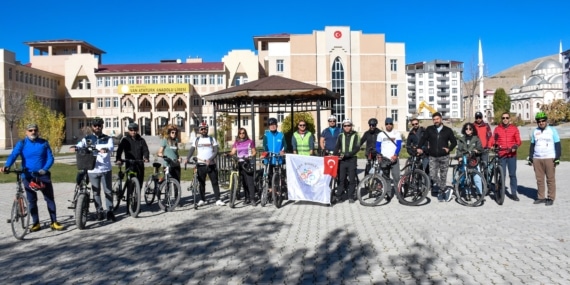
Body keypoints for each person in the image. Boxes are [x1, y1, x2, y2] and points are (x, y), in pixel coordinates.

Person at [1, 123, 64, 231]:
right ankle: (36, 223)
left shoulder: (44, 143)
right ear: (26, 132)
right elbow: (13, 155)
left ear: (38, 131)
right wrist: (7, 165)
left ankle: (54, 222)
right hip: (27, 175)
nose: (33, 132)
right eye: (30, 130)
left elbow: (50, 158)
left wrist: (44, 169)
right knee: (32, 200)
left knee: (49, 199)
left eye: (35, 130)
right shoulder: (22, 143)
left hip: (42, 175)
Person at [71, 117, 116, 222]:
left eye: (99, 125)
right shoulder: (88, 138)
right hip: (92, 169)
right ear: (92, 127)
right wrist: (75, 147)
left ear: (102, 126)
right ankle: (99, 211)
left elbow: (111, 147)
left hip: (105, 169)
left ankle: (109, 211)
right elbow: (80, 145)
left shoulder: (107, 138)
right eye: (95, 125)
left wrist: (106, 149)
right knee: (96, 192)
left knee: (108, 191)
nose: (97, 127)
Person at [417, 112, 457, 201]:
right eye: (434, 119)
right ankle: (445, 189)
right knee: (433, 175)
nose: (436, 121)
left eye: (437, 119)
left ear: (441, 119)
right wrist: (419, 147)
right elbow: (423, 139)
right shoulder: (429, 129)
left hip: (444, 157)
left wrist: (449, 148)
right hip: (432, 156)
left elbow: (454, 142)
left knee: (443, 176)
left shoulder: (448, 130)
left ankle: (443, 194)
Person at [186, 122, 225, 206]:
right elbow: (191, 150)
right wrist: (187, 158)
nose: (204, 130)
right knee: (201, 183)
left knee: (214, 182)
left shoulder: (212, 139)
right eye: (202, 129)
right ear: (199, 130)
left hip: (211, 164)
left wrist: (210, 159)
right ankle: (202, 199)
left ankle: (218, 199)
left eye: (205, 129)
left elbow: (216, 151)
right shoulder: (196, 140)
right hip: (200, 164)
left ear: (207, 129)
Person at [528, 112, 561, 206]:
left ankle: (551, 197)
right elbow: (532, 145)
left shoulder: (552, 130)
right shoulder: (535, 131)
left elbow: (557, 144)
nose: (541, 122)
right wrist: (530, 158)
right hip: (537, 158)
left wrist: (557, 157)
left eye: (543, 121)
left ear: (546, 121)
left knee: (550, 179)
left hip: (549, 157)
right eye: (539, 121)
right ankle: (541, 197)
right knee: (539, 179)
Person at [489, 112, 522, 201]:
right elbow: (493, 139)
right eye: (503, 118)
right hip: (502, 154)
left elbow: (518, 140)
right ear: (501, 119)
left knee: (512, 174)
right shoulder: (497, 129)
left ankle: (514, 193)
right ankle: (500, 191)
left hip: (511, 154)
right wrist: (492, 145)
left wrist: (515, 146)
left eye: (507, 118)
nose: (505, 119)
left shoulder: (514, 129)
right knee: (502, 174)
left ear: (509, 119)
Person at [228, 128, 257, 206]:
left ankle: (252, 199)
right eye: (240, 133)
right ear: (238, 134)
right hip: (239, 163)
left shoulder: (250, 142)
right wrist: (229, 154)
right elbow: (233, 151)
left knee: (250, 182)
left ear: (245, 133)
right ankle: (246, 198)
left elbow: (254, 152)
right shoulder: (237, 143)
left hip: (247, 163)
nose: (242, 134)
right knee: (244, 182)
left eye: (243, 133)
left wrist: (250, 156)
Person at [375, 117, 402, 201]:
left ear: (392, 124)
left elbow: (399, 145)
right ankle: (388, 193)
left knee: (396, 177)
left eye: (390, 124)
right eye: (387, 124)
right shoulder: (381, 134)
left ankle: (398, 194)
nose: (389, 125)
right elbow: (377, 146)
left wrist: (395, 155)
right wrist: (379, 154)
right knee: (386, 177)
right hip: (384, 159)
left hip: (394, 159)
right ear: (385, 124)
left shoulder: (396, 133)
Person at [115, 123, 150, 188]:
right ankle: (129, 195)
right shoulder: (125, 140)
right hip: (129, 163)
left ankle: (137, 196)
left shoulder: (141, 140)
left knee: (139, 183)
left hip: (139, 163)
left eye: (135, 130)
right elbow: (119, 150)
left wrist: (146, 157)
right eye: (131, 130)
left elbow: (145, 150)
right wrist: (118, 159)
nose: (133, 132)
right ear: (128, 131)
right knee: (130, 182)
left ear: (137, 130)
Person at [456, 122, 484, 201]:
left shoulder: (476, 139)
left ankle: (479, 193)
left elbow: (480, 148)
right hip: (465, 159)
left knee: (477, 177)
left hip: (474, 160)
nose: (468, 130)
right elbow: (459, 150)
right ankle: (467, 193)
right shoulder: (461, 139)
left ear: (472, 130)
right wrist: (459, 157)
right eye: (466, 129)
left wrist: (476, 150)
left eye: (470, 129)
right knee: (466, 177)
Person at [334, 118, 360, 203]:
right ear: (343, 127)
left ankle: (351, 196)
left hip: (352, 159)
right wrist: (335, 155)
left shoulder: (356, 135)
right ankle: (339, 196)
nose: (347, 127)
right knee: (341, 179)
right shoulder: (340, 136)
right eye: (345, 126)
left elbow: (357, 147)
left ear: (351, 126)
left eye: (349, 125)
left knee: (352, 179)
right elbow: (337, 147)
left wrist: (348, 154)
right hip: (342, 161)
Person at [262, 117, 287, 189]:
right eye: (270, 125)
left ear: (277, 125)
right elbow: (264, 145)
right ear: (268, 126)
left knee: (278, 174)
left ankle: (277, 189)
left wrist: (283, 151)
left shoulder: (281, 135)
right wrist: (266, 151)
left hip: (278, 158)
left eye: (274, 124)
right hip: (269, 158)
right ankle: (270, 188)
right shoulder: (266, 135)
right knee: (269, 174)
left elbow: (285, 145)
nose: (272, 126)